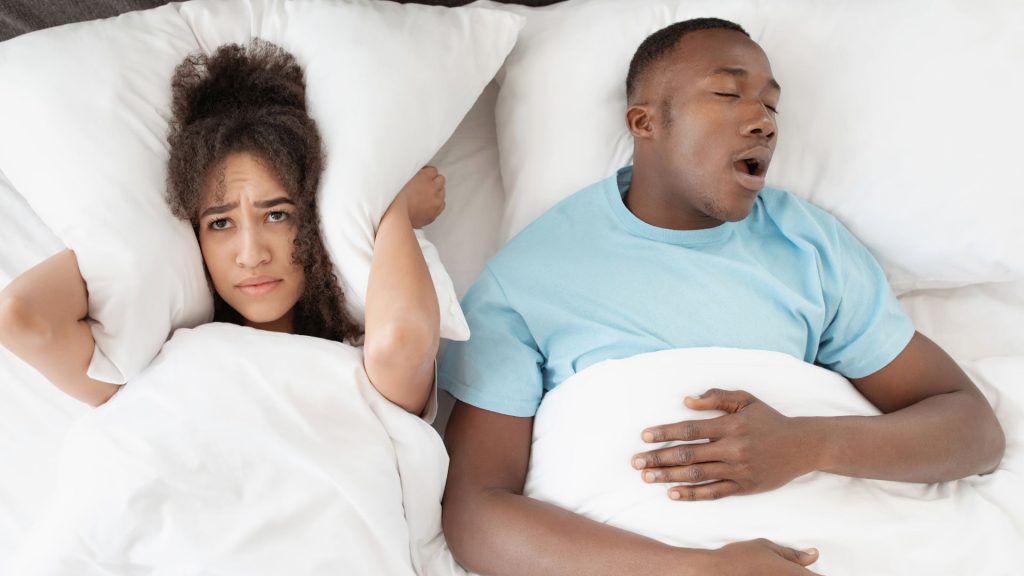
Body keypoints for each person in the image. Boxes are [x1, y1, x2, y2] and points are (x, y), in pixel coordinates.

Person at [438, 18, 1006, 575]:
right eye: (728, 93)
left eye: (771, 105)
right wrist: (702, 571)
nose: (763, 121)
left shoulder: (809, 246)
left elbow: (973, 432)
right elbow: (475, 513)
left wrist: (808, 444)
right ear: (645, 121)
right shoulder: (529, 276)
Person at [0, 40, 443, 417]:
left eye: (277, 214)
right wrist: (130, 243)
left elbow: (401, 341)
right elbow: (20, 315)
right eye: (220, 223)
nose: (251, 255)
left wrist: (391, 210)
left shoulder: (360, 361)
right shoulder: (153, 363)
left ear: (314, 218)